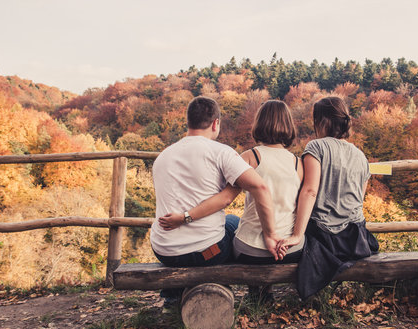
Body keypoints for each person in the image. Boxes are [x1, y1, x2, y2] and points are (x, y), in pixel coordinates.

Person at [150, 96, 280, 307]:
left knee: (228, 221)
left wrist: (228, 192)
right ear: (215, 123)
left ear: (188, 122)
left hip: (164, 251)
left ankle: (172, 295)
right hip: (206, 253)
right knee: (238, 227)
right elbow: (260, 186)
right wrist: (233, 188)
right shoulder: (221, 152)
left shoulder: (163, 157)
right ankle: (260, 293)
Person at [277, 96, 379, 301]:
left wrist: (297, 235)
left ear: (321, 121)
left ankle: (262, 291)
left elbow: (310, 191)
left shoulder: (317, 148)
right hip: (355, 238)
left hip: (326, 239)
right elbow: (359, 200)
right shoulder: (360, 156)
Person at [233, 100, 304, 265]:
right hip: (290, 249)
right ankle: (263, 290)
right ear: (288, 125)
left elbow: (226, 194)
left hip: (250, 249)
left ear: (259, 123)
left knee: (230, 222)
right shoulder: (298, 163)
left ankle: (257, 290)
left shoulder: (250, 157)